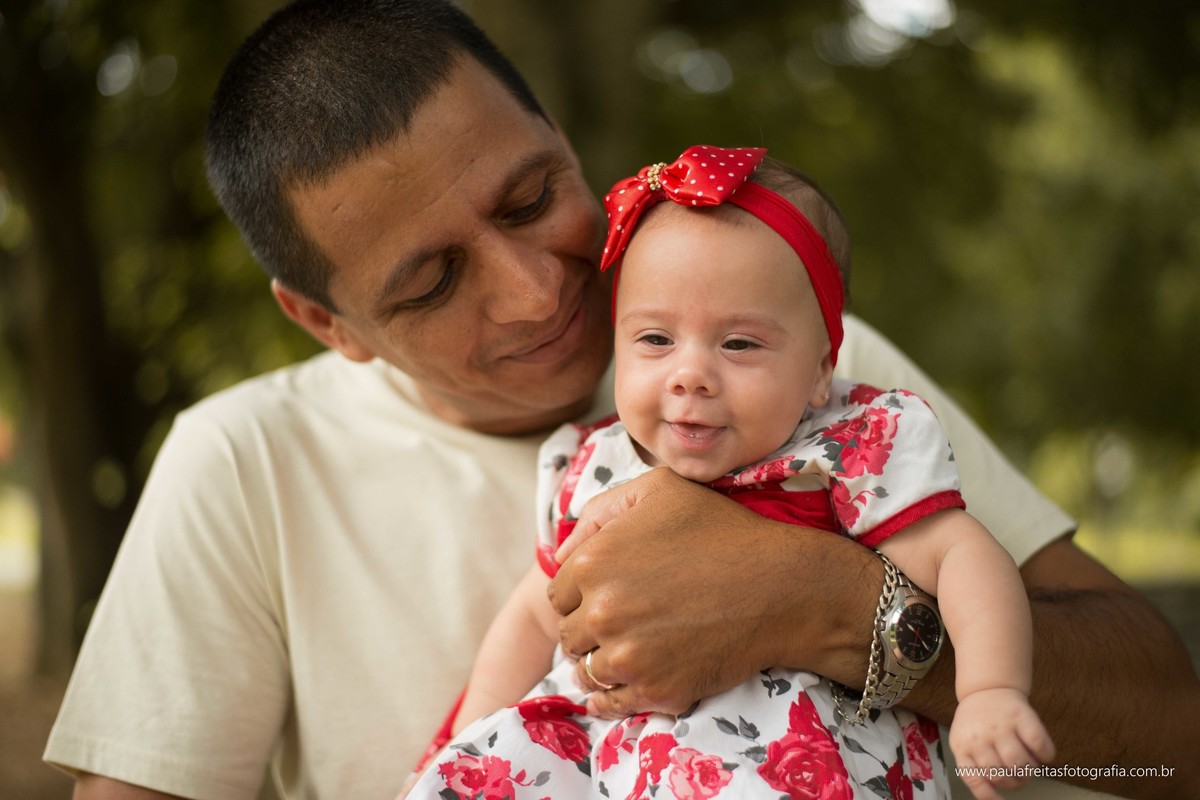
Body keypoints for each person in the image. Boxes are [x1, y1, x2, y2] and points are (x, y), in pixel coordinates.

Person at [42, 2, 1199, 799]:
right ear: (327, 321)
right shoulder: (242, 463)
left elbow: (1173, 736)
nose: (537, 285)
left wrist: (832, 603)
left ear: (557, 128)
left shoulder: (810, 370)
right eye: (433, 280)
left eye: (532, 192)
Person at [405, 146, 1055, 800]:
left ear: (821, 369)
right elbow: (535, 614)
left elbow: (961, 554)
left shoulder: (840, 452)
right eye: (655, 339)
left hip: (799, 762)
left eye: (739, 344)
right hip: (613, 767)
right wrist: (473, 736)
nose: (690, 374)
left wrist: (990, 690)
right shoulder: (598, 465)